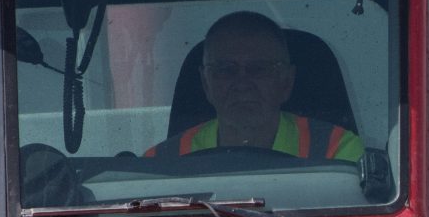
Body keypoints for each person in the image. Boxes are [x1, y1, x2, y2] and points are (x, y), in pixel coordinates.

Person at [144, 10, 364, 162]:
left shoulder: (336, 151)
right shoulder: (161, 163)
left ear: (287, 81)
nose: (242, 83)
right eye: (225, 69)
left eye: (260, 69)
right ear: (205, 83)